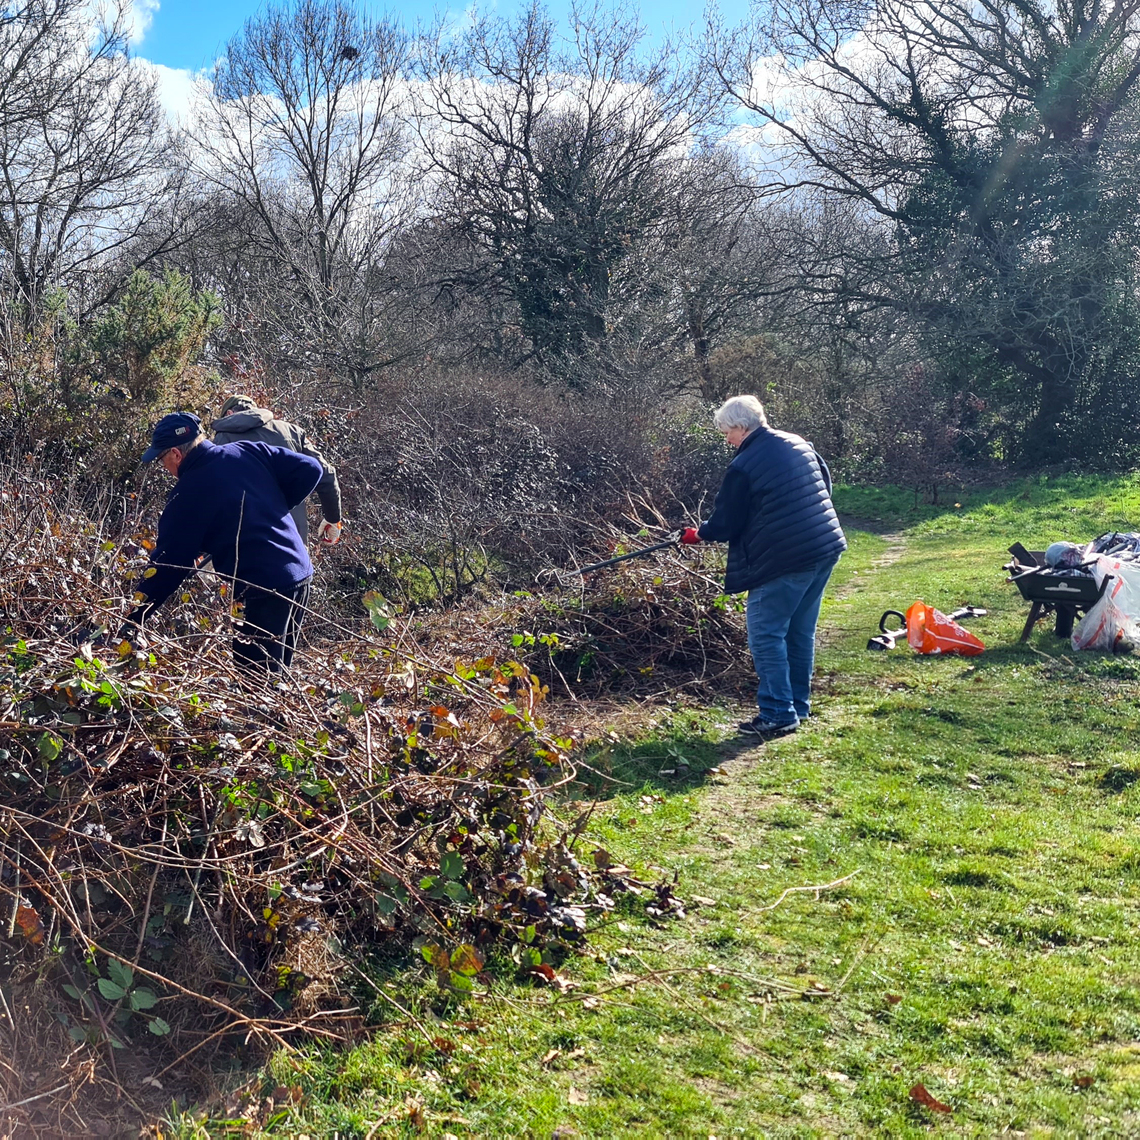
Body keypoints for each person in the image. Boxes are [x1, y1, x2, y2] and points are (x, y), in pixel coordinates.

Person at [681, 395, 847, 737]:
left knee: (765, 634)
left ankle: (777, 713)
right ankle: (797, 707)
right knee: (800, 632)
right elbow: (823, 488)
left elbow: (726, 522)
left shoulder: (744, 465)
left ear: (742, 427)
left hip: (784, 558)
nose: (726, 439)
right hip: (825, 546)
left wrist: (699, 534)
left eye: (727, 432)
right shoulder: (799, 443)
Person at [122, 411, 324, 673]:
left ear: (175, 453)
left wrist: (134, 617)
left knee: (254, 682)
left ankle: (264, 713)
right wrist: (272, 510)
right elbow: (311, 468)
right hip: (300, 574)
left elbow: (168, 566)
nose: (165, 468)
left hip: (262, 589)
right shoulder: (246, 451)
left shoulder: (187, 494)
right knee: (278, 675)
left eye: (161, 459)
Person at [211, 394, 343, 546]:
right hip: (294, 542)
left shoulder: (223, 439)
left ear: (229, 414)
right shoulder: (292, 431)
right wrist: (333, 518)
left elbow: (214, 495)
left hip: (247, 546)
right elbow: (326, 475)